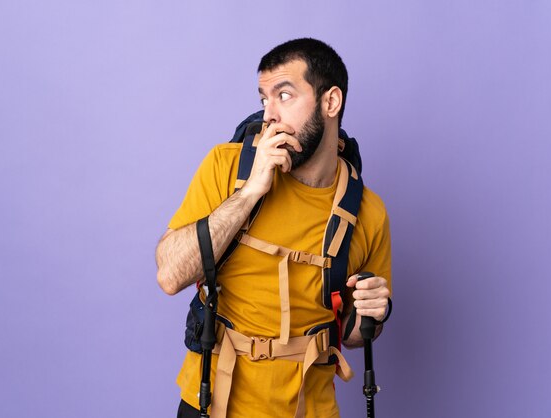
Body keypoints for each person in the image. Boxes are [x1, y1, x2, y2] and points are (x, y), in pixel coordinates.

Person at [156, 38, 392, 418]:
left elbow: (351, 336)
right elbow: (169, 275)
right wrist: (249, 193)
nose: (269, 115)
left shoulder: (368, 212)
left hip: (310, 409)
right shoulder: (225, 167)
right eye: (264, 98)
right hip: (212, 403)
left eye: (284, 95)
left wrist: (373, 313)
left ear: (330, 102)